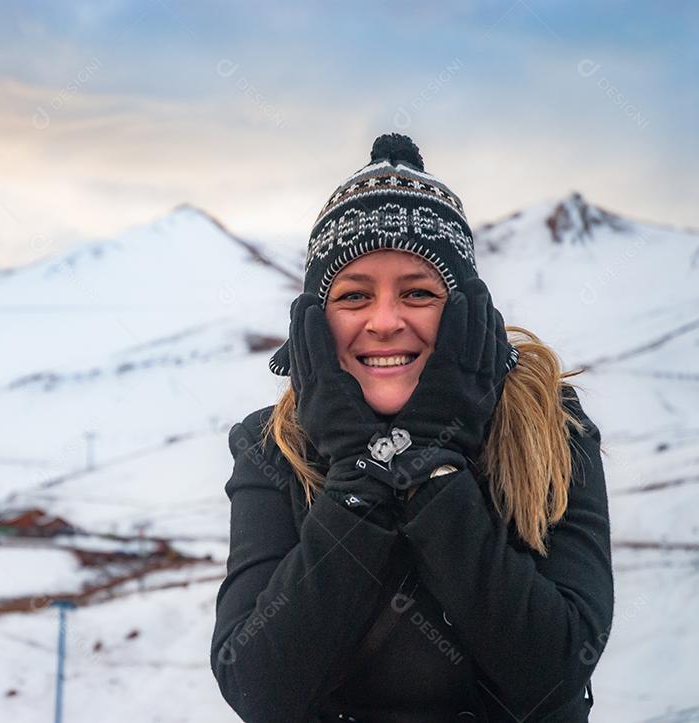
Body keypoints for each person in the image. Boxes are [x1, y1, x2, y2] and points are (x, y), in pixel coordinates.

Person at [209, 134, 614, 722]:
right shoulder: (272, 447)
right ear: (315, 326)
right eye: (353, 296)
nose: (385, 321)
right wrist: (358, 472)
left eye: (419, 292)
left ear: (466, 313)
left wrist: (434, 463)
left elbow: (554, 671)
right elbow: (257, 688)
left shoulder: (552, 430)